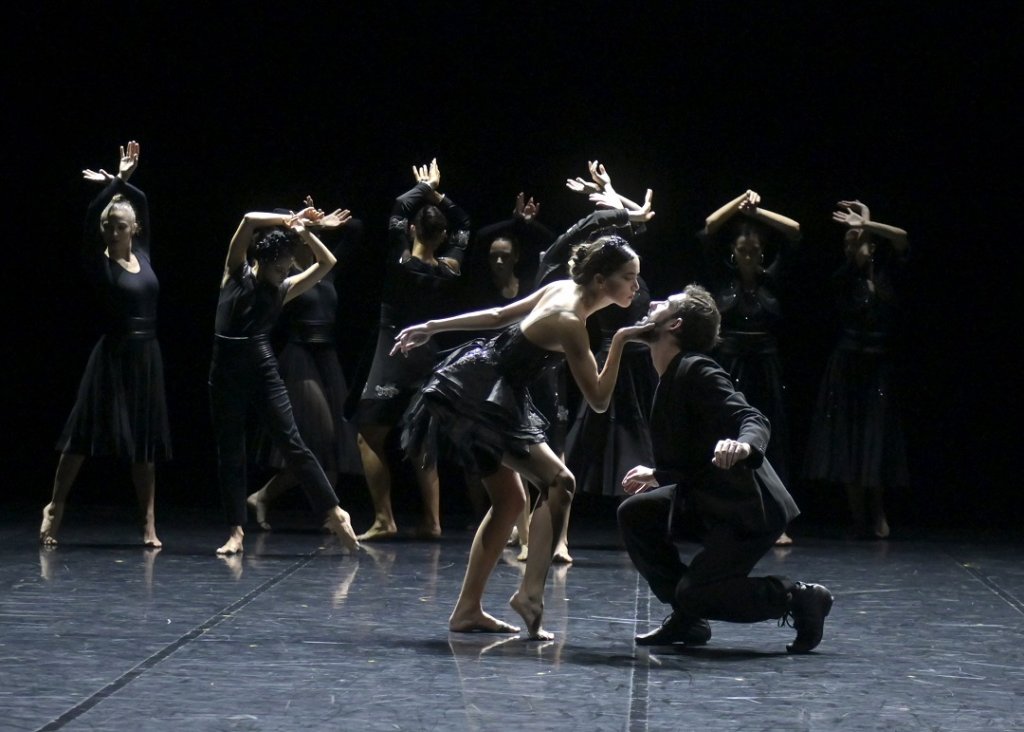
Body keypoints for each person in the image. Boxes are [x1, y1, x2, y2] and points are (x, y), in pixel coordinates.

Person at [393, 196, 656, 640]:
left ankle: (468, 611)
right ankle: (529, 595)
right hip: (483, 395)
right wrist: (622, 341)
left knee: (511, 502)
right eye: (628, 278)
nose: (636, 287)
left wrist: (432, 327)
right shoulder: (571, 318)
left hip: (484, 385)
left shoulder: (563, 291)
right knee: (561, 483)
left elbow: (498, 315)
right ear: (600, 279)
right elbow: (597, 399)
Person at [618, 285, 833, 654]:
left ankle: (797, 597)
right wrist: (658, 474)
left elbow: (751, 416)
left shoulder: (697, 369)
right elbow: (694, 454)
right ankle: (689, 618)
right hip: (710, 498)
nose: (651, 304)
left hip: (748, 508)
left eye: (663, 305)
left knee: (698, 591)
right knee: (637, 512)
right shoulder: (670, 374)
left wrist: (744, 445)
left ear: (675, 324)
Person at [41, 141, 171, 548]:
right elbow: (88, 218)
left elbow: (143, 200)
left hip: (147, 355)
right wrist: (116, 182)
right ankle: (55, 507)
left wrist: (125, 181)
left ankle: (148, 522)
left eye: (120, 225)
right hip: (112, 356)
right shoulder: (98, 262)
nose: (114, 231)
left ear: (135, 229)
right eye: (109, 225)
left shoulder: (144, 256)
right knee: (81, 436)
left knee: (144, 443)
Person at [209, 205, 358, 555]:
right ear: (262, 260)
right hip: (225, 370)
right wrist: (287, 219)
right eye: (279, 268)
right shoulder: (234, 273)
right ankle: (235, 532)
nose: (284, 273)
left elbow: (327, 264)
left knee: (293, 443)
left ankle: (335, 511)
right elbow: (246, 219)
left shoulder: (284, 288)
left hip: (261, 367)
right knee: (230, 451)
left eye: (287, 267)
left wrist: (305, 231)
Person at [356, 159, 471, 541]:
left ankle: (384, 518)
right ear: (443, 237)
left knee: (370, 435)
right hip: (430, 353)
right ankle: (433, 521)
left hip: (393, 351)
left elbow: (398, 206)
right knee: (422, 435)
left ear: (411, 231)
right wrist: (440, 195)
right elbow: (465, 223)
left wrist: (424, 189)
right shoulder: (450, 268)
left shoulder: (400, 260)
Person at [246, 202, 363, 530]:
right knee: (322, 437)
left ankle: (313, 513)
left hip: (327, 357)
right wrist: (302, 227)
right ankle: (271, 497)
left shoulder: (327, 268)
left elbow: (356, 229)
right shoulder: (286, 275)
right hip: (300, 357)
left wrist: (321, 227)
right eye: (303, 235)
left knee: (337, 446)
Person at [700, 189, 801, 545]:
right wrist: (740, 201)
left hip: (766, 366)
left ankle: (777, 520)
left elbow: (794, 231)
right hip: (730, 365)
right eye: (742, 250)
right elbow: (711, 226)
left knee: (770, 439)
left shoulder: (773, 280)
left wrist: (759, 214)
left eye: (755, 250)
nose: (748, 256)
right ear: (733, 251)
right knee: (727, 439)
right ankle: (726, 518)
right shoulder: (720, 276)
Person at [803, 200, 909, 539]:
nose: (851, 244)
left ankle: (877, 512)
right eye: (846, 240)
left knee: (875, 438)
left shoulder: (887, 274)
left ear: (871, 243)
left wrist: (867, 222)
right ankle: (858, 517)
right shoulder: (843, 277)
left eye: (857, 238)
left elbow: (903, 237)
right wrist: (858, 236)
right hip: (848, 364)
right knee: (847, 440)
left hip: (878, 363)